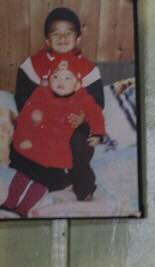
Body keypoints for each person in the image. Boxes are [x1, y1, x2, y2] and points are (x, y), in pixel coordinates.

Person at [13, 6, 104, 202]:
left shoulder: (88, 69)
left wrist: (83, 119)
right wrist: (36, 116)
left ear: (78, 38)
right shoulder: (33, 65)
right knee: (19, 150)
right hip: (43, 124)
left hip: (73, 123)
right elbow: (22, 99)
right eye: (56, 33)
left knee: (80, 142)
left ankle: (84, 185)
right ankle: (58, 180)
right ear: (47, 40)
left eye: (68, 33)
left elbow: (97, 103)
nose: (62, 38)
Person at [2, 62, 105, 219]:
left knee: (41, 182)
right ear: (48, 80)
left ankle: (24, 208)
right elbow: (26, 115)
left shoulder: (82, 99)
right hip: (36, 144)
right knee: (22, 174)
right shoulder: (42, 93)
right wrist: (31, 127)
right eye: (55, 77)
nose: (60, 81)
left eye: (67, 78)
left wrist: (98, 134)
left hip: (57, 153)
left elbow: (96, 114)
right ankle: (10, 202)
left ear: (77, 84)